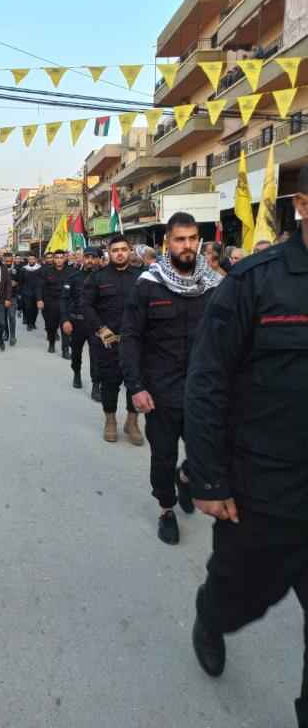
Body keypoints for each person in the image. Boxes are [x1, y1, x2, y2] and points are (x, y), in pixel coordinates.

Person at [186, 178, 308, 728]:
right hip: (263, 487)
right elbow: (207, 382)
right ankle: (211, 616)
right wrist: (209, 481)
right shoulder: (256, 281)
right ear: (303, 207)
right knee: (241, 596)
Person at [120, 212, 222, 545]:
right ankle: (166, 508)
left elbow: (228, 339)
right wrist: (136, 387)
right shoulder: (149, 284)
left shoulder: (214, 286)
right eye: (180, 239)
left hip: (204, 392)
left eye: (193, 238)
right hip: (161, 392)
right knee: (162, 456)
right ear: (167, 242)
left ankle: (187, 477)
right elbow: (131, 337)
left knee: (206, 453)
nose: (188, 245)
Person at [84, 236, 143, 444]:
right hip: (109, 342)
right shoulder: (97, 278)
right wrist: (101, 329)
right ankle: (110, 421)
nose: (119, 253)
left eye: (123, 249)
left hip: (136, 342)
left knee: (135, 383)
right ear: (109, 252)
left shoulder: (142, 277)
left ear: (130, 251)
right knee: (110, 383)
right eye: (115, 250)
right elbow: (87, 306)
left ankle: (132, 422)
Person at [61, 247, 101, 394]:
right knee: (76, 353)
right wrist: (65, 320)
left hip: (96, 324)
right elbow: (64, 300)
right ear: (83, 259)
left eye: (93, 257)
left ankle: (96, 385)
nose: (90, 260)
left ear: (98, 259)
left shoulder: (103, 277)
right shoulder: (73, 277)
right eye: (87, 257)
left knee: (96, 356)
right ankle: (76, 373)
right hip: (77, 322)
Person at [36, 249, 71, 357]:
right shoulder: (47, 271)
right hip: (51, 303)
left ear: (65, 259)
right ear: (54, 259)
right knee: (51, 326)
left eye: (61, 258)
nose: (59, 260)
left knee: (65, 327)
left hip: (66, 303)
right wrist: (39, 299)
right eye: (57, 258)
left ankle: (65, 350)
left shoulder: (71, 271)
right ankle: (51, 343)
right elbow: (39, 287)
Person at [2, 252, 20, 347]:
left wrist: (16, 283)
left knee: (11, 316)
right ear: (4, 260)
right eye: (6, 261)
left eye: (10, 260)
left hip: (13, 296)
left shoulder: (17, 268)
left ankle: (13, 336)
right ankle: (6, 333)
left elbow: (21, 280)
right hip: (2, 296)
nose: (8, 262)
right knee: (3, 317)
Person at [20, 254, 42, 331]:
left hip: (37, 292)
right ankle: (29, 324)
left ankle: (33, 323)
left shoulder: (40, 268)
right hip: (26, 292)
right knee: (28, 308)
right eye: (30, 259)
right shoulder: (24, 269)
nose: (31, 260)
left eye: (33, 259)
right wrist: (21, 291)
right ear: (28, 260)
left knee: (35, 309)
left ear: (35, 260)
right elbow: (21, 281)